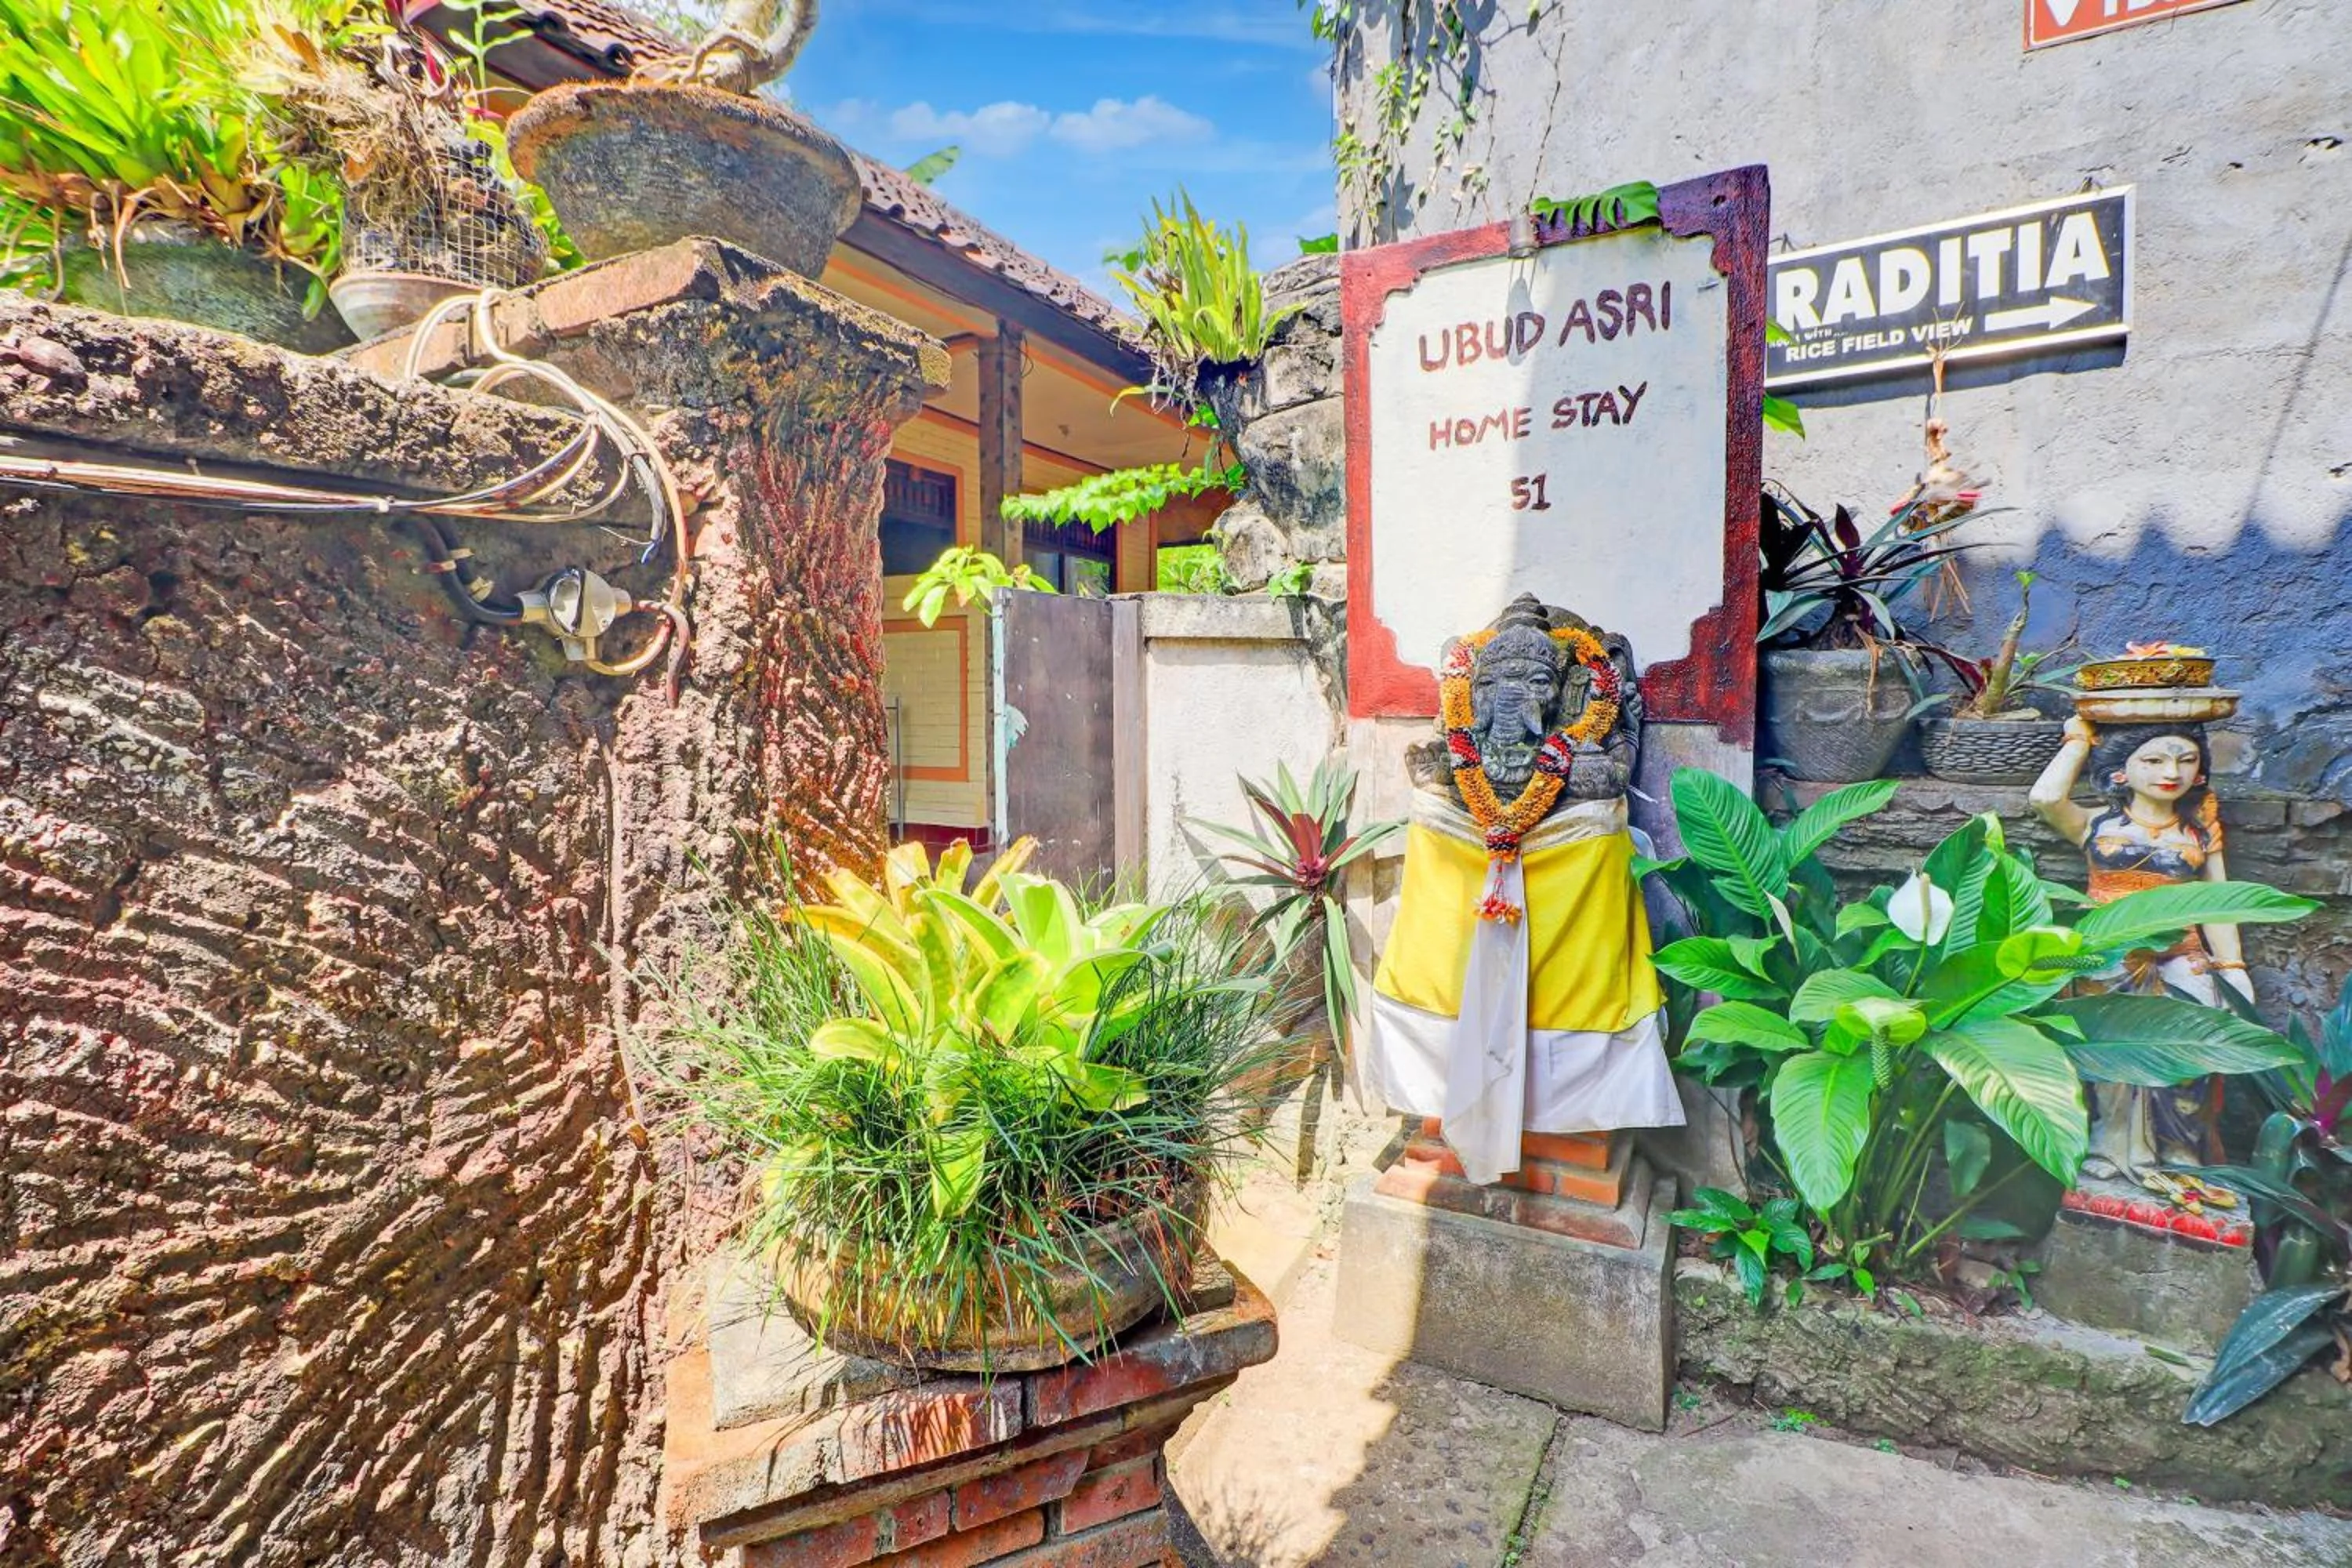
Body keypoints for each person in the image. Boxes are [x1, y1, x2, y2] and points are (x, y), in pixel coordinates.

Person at [2028, 715, 2252, 1185]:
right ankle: (2110, 1143)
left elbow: (2219, 902)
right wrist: (2078, 740)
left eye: (2185, 760)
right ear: (2120, 772)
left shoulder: (2198, 832)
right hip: (2110, 954)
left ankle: (2178, 1145)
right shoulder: (2096, 823)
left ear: (2201, 771)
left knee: (2193, 1038)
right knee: (2111, 1048)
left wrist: (2232, 966)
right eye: (2152, 760)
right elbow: (2045, 798)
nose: (2171, 771)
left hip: (2181, 950)